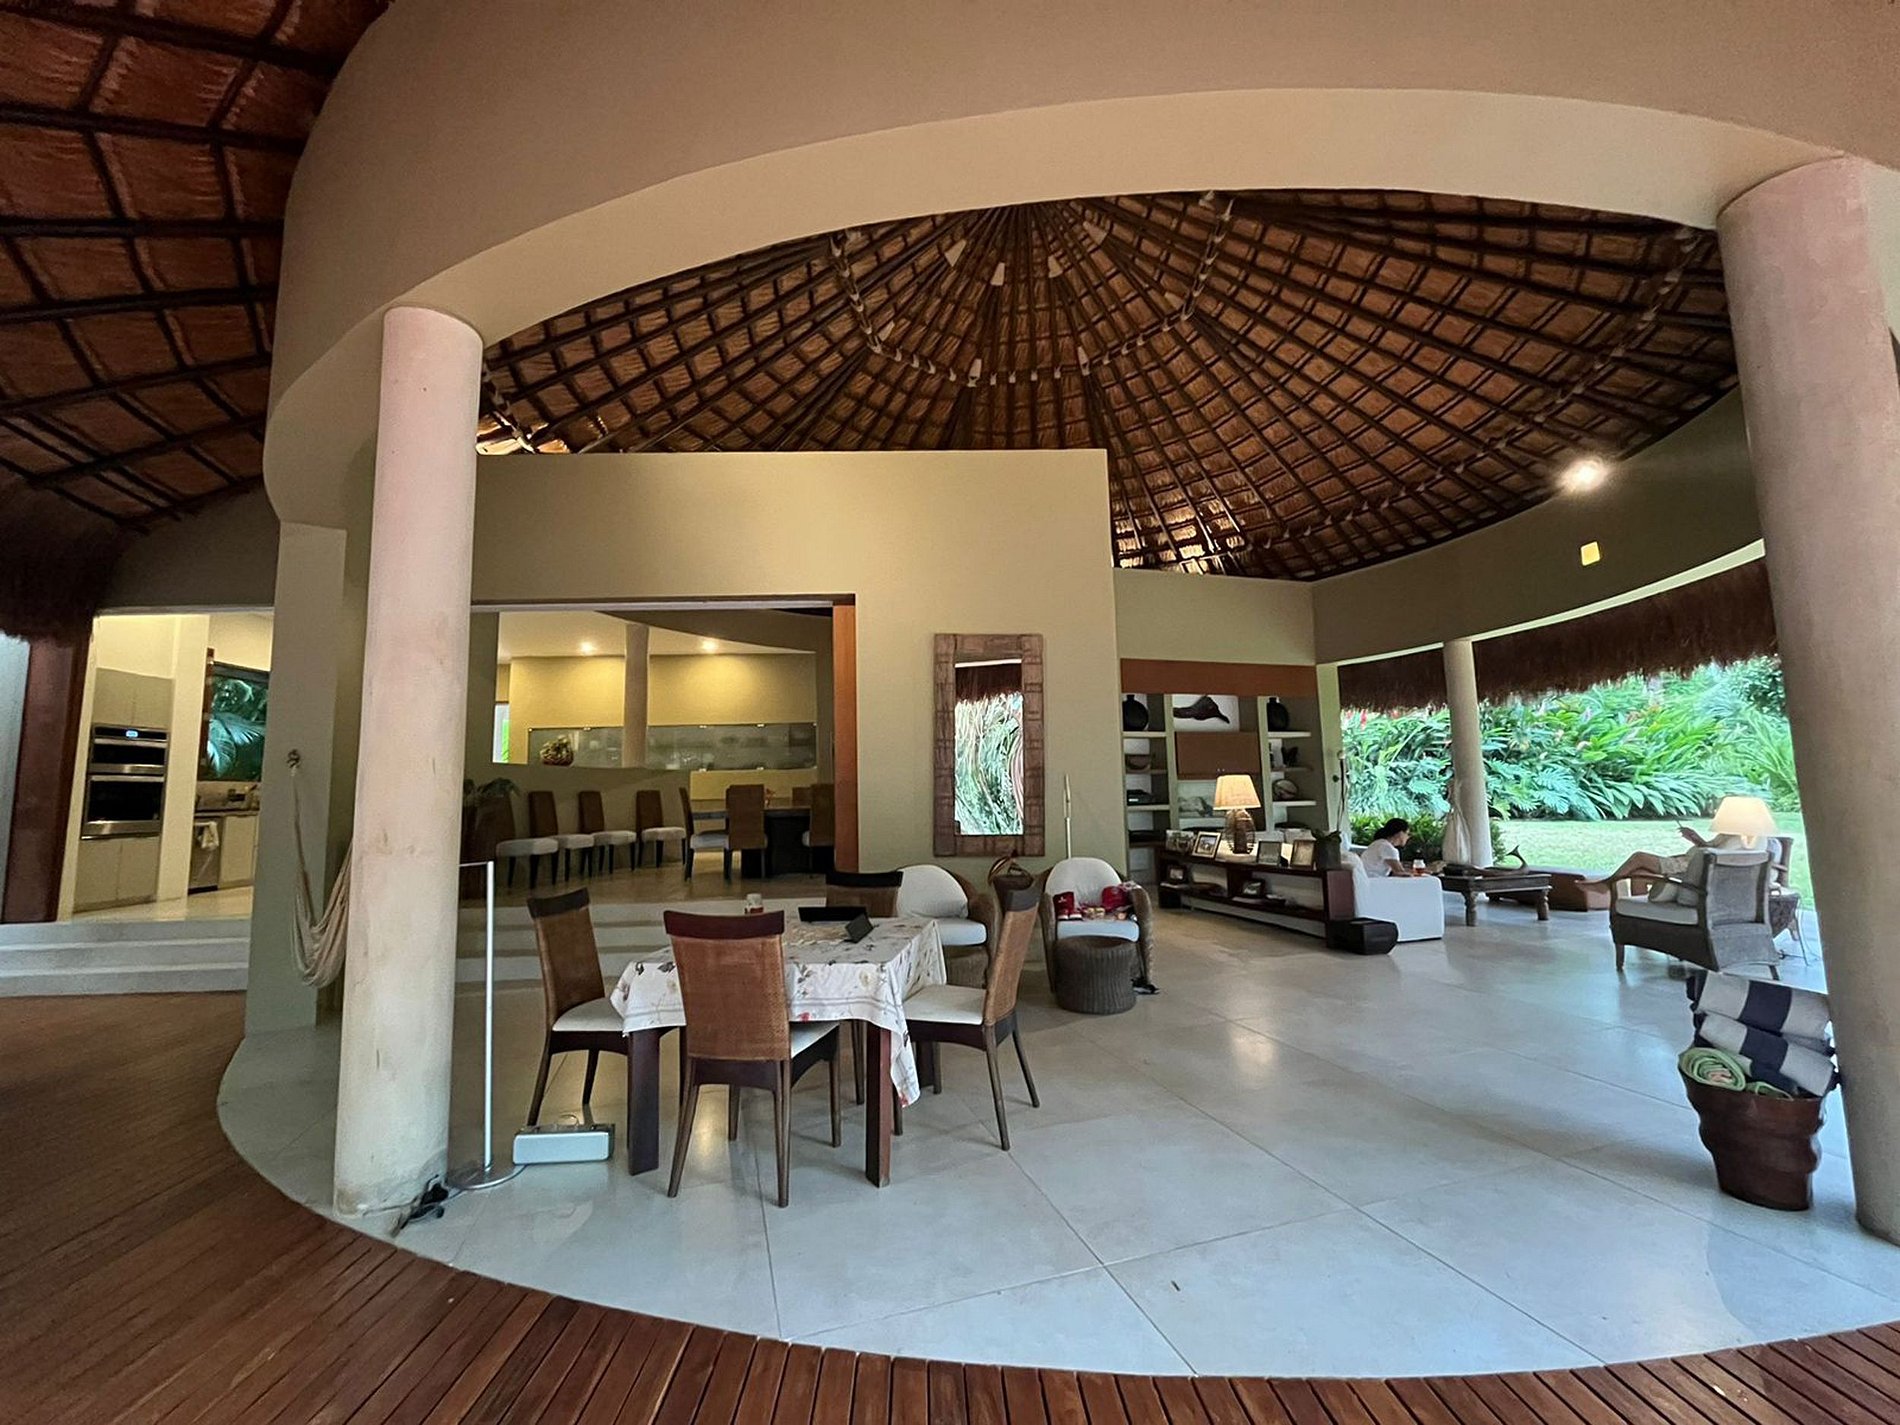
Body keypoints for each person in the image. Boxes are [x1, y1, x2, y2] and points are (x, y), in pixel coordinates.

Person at [1587, 824, 1746, 891]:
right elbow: (1707, 847)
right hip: (1683, 860)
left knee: (1639, 857)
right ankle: (1644, 921)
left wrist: (1698, 840)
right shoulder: (1724, 835)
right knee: (1639, 874)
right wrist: (1695, 839)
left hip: (1684, 867)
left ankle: (1606, 884)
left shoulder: (1737, 840)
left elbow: (1713, 855)